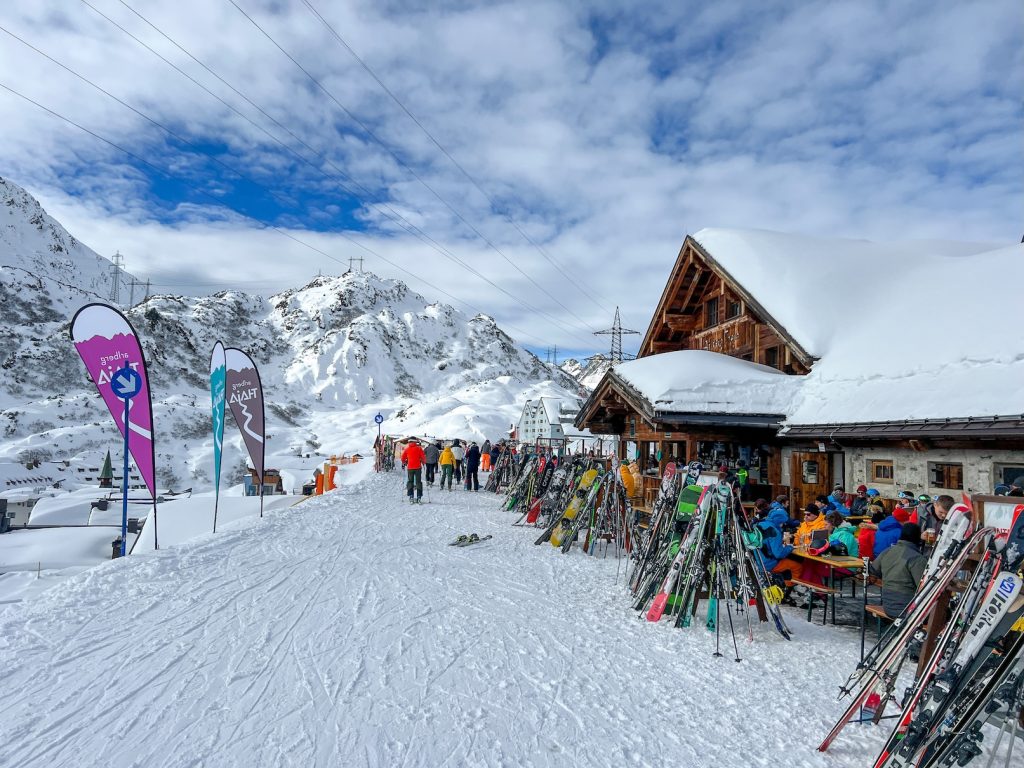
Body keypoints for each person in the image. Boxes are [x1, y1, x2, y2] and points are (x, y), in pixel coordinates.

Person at [870, 523, 927, 618]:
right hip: (907, 610)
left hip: (887, 606)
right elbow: (923, 587)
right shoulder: (916, 558)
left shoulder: (887, 551)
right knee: (944, 613)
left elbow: (873, 570)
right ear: (917, 538)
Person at [755, 507, 803, 586]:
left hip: (758, 561)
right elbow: (778, 554)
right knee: (797, 566)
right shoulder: (774, 531)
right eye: (783, 522)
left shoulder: (759, 525)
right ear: (779, 520)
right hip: (769, 564)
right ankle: (788, 587)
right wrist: (789, 548)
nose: (783, 524)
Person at [400, 438, 426, 503]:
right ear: (415, 442)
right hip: (418, 467)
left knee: (410, 481)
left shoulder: (407, 449)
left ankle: (411, 496)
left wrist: (405, 462)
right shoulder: (419, 448)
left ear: (409, 442)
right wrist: (423, 462)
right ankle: (419, 497)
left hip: (410, 468)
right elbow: (423, 457)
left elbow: (402, 458)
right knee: (418, 482)